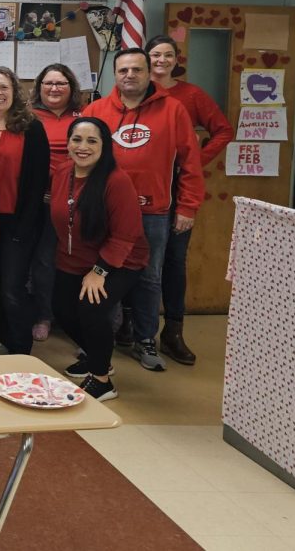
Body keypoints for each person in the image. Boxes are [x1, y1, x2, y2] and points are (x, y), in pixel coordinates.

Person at [83, 48, 205, 371]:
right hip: (105, 209)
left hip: (154, 211)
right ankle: (103, 336)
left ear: (148, 72)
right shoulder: (96, 110)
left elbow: (190, 163)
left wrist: (188, 207)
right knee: (102, 272)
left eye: (137, 70)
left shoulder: (173, 110)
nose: (129, 76)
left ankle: (145, 338)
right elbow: (79, 158)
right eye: (123, 70)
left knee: (149, 277)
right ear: (115, 74)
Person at [145, 34, 234, 365]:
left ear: (176, 59)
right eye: (155, 55)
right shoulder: (136, 94)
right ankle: (135, 327)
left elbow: (223, 130)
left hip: (180, 191)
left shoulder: (191, 95)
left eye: (168, 55)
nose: (162, 61)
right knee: (138, 262)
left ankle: (172, 332)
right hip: (146, 193)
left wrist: (197, 157)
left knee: (172, 262)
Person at [51, 117, 149, 401]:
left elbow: (125, 235)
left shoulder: (116, 181)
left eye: (92, 141)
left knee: (90, 308)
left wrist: (100, 271)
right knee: (61, 309)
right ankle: (98, 358)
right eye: (76, 140)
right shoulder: (62, 172)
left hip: (120, 260)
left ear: (105, 146)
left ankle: (103, 381)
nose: (82, 147)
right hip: (73, 257)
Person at [0, 67, 50, 355]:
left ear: (14, 91)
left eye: (3, 87)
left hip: (18, 221)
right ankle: (3, 339)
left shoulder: (32, 127)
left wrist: (24, 226)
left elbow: (39, 181)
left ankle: (19, 347)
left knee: (12, 287)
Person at [28, 63, 82, 342]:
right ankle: (43, 315)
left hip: (78, 200)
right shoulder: (29, 116)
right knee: (44, 261)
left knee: (77, 261)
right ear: (39, 87)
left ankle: (75, 318)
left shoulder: (84, 116)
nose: (54, 88)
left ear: (71, 87)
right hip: (42, 201)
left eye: (60, 83)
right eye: (48, 83)